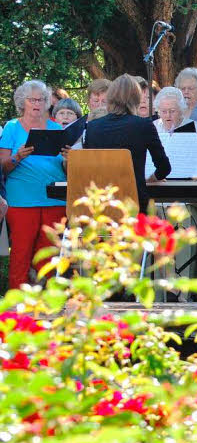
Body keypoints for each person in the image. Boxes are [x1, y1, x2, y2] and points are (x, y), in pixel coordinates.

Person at [0, 80, 68, 290]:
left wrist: (69, 159)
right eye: (32, 100)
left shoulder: (57, 128)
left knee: (49, 254)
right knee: (21, 253)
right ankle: (17, 308)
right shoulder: (12, 127)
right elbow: (2, 167)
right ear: (23, 102)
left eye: (41, 99)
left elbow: (67, 169)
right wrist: (17, 156)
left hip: (54, 198)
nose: (37, 103)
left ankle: (47, 305)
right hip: (21, 200)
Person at [83, 75, 171, 212]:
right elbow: (164, 168)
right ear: (136, 99)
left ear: (110, 98)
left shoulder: (92, 127)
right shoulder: (143, 125)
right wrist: (151, 178)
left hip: (101, 204)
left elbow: (88, 168)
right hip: (134, 203)